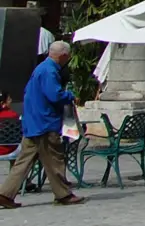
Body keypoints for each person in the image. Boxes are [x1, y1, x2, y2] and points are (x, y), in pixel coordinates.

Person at [0, 40, 83, 208]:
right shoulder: (50, 71)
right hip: (45, 122)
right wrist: (70, 96)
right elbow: (54, 95)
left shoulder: (41, 69)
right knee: (54, 159)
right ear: (64, 56)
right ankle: (63, 194)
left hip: (33, 122)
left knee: (24, 161)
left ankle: (5, 194)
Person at [0, 93, 16, 159]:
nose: (11, 100)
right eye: (9, 99)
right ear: (3, 103)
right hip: (8, 150)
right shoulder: (12, 115)